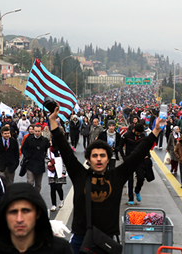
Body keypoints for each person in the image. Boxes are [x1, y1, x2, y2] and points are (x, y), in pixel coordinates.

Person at [47, 106, 163, 253]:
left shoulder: (117, 176)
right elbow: (64, 148)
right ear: (88, 159)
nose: (99, 159)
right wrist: (53, 121)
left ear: (109, 159)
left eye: (103, 156)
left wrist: (156, 131)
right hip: (80, 239)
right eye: (94, 156)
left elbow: (138, 154)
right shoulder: (79, 175)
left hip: (107, 240)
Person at [0, 182, 73, 254]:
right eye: (13, 212)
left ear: (37, 214)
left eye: (26, 211)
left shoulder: (60, 249)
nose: (19, 219)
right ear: (4, 215)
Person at [122, 123, 148, 205]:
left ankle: (137, 191)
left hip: (139, 160)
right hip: (129, 160)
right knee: (130, 180)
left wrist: (147, 155)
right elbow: (120, 147)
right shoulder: (127, 135)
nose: (139, 134)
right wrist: (124, 158)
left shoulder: (143, 136)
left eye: (140, 133)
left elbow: (146, 146)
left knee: (141, 178)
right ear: (134, 130)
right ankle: (130, 198)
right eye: (138, 132)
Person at [21, 124, 50, 192]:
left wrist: (45, 157)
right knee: (30, 182)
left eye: (38, 131)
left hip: (40, 164)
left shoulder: (44, 140)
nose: (37, 133)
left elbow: (48, 150)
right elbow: (23, 149)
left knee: (38, 184)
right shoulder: (28, 139)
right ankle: (30, 197)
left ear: (41, 131)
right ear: (33, 131)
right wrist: (27, 155)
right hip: (30, 163)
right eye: (36, 131)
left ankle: (36, 197)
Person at [47, 142, 67, 211]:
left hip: (60, 170)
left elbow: (65, 161)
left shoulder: (62, 150)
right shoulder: (49, 150)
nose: (50, 142)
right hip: (52, 171)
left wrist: (63, 171)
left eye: (52, 141)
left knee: (58, 187)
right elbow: (46, 157)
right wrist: (48, 162)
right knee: (52, 187)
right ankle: (53, 205)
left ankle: (61, 199)